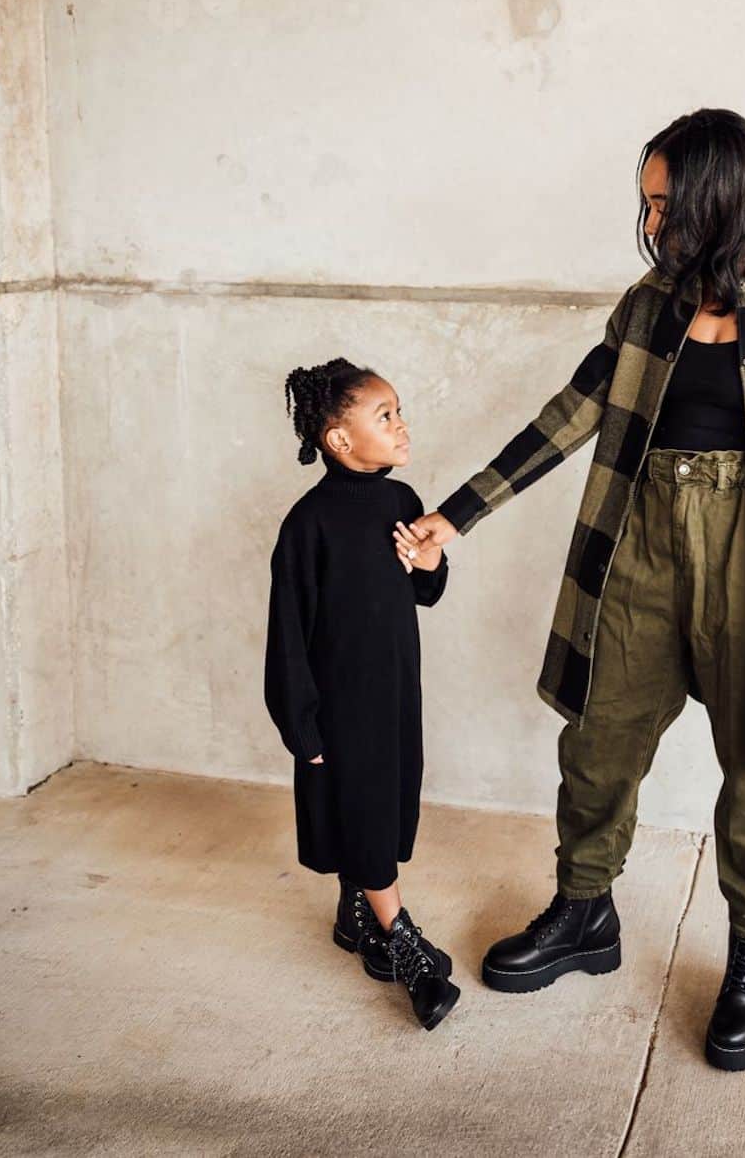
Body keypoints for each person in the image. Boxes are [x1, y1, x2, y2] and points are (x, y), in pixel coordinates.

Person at [400, 108, 745, 1070]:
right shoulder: (649, 303)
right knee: (598, 740)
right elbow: (568, 416)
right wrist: (455, 514)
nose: (654, 220)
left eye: (666, 202)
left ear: (719, 192)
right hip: (641, 548)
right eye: (649, 204)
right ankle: (586, 911)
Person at [264, 356, 460, 1031]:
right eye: (385, 416)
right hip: (341, 706)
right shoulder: (307, 525)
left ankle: (355, 918)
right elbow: (286, 634)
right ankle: (402, 942)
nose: (401, 425)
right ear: (339, 440)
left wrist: (431, 563)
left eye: (398, 411)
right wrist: (303, 728)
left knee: (383, 805)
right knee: (368, 813)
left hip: (396, 692)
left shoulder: (402, 502)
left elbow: (422, 589)